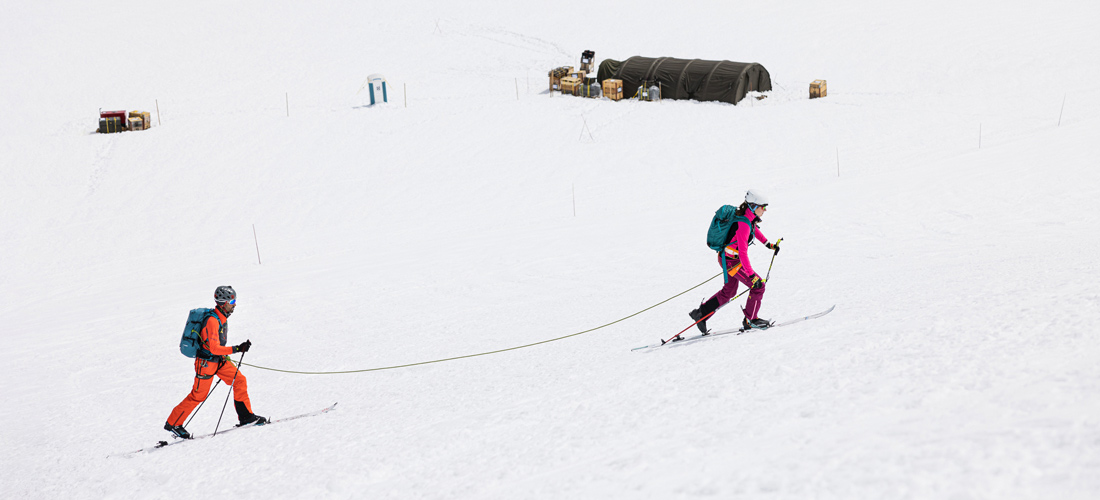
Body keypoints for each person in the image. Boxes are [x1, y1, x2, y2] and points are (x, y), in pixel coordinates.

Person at [164, 286, 266, 438]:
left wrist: (231, 351)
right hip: (206, 364)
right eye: (232, 301)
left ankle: (246, 417)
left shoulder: (221, 317)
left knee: (239, 380)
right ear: (223, 302)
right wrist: (237, 348)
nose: (235, 304)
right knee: (198, 395)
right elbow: (214, 348)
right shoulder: (213, 320)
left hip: (219, 361)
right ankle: (173, 423)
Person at [690, 190, 781, 334]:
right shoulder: (743, 223)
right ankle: (751, 320)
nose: (765, 210)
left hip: (728, 258)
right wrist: (751, 275)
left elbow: (754, 230)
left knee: (729, 291)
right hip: (732, 261)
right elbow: (743, 252)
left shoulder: (747, 218)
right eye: (762, 207)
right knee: (758, 286)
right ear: (753, 206)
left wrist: (768, 244)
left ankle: (701, 314)